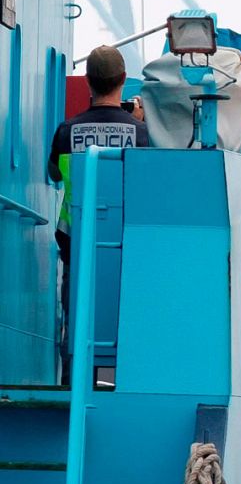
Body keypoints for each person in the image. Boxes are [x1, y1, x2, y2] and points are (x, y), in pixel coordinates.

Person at [47, 45, 149, 372]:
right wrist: (137, 123)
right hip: (123, 242)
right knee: (121, 313)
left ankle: (71, 375)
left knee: (76, 310)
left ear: (89, 81)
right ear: (123, 80)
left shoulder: (66, 131)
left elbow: (54, 174)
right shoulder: (140, 133)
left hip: (78, 238)